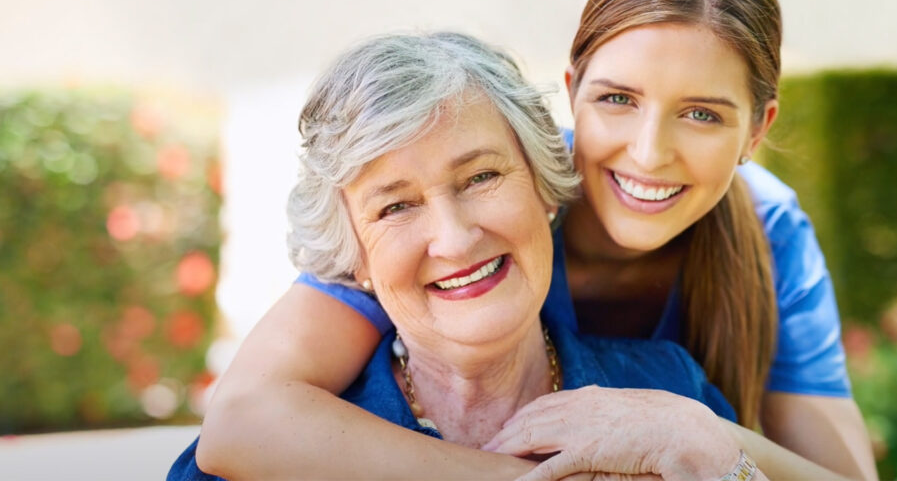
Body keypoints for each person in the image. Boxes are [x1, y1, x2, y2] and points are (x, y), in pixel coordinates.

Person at [197, 0, 877, 481]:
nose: (648, 154)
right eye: (618, 98)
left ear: (756, 131)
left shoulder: (769, 232)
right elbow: (244, 418)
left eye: (702, 114)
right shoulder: (460, 177)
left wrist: (697, 434)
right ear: (572, 91)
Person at [171, 31, 756, 481]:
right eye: (396, 207)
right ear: (357, 263)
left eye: (481, 177)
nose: (453, 240)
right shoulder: (259, 464)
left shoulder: (669, 390)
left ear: (544, 188)